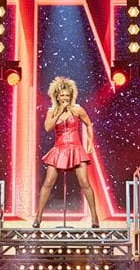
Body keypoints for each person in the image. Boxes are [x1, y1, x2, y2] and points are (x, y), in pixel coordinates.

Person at [33, 76, 99, 228]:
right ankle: (38, 218)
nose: (65, 98)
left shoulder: (77, 109)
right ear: (57, 96)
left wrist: (90, 142)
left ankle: (95, 219)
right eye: (62, 95)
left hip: (76, 148)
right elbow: (48, 128)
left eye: (67, 95)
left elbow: (89, 124)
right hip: (59, 149)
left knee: (85, 182)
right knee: (48, 182)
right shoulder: (51, 112)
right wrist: (59, 112)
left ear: (71, 96)